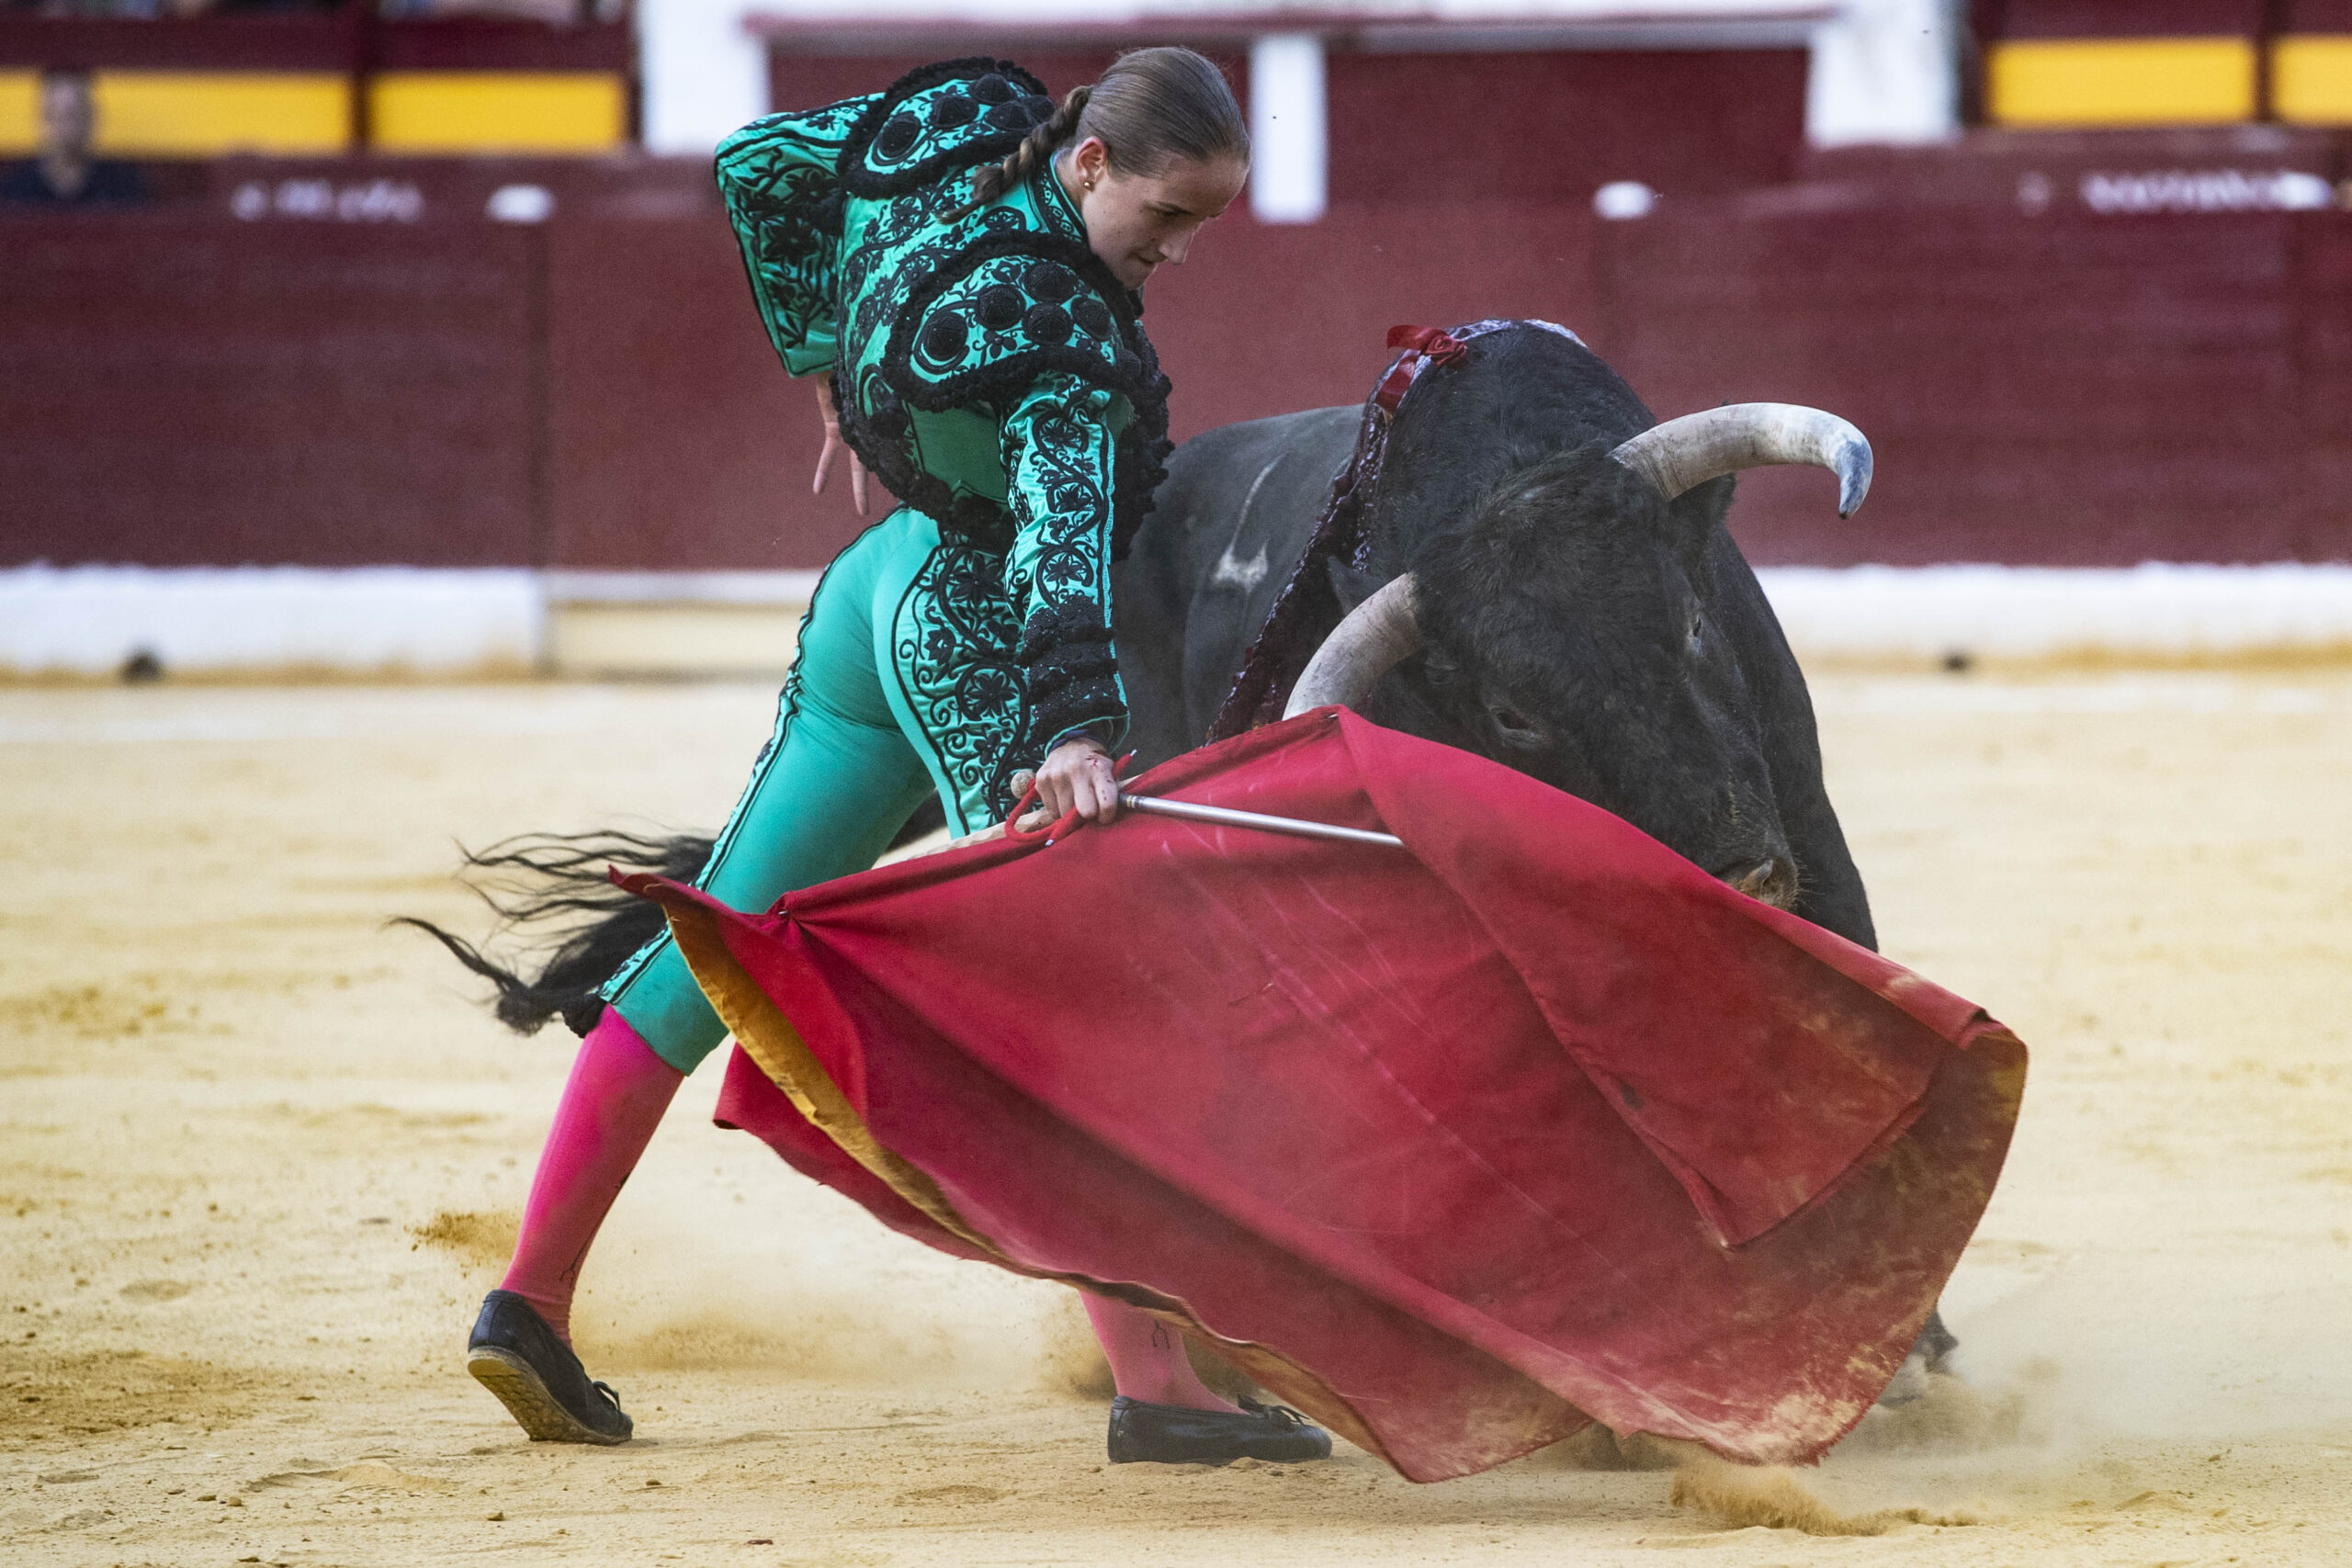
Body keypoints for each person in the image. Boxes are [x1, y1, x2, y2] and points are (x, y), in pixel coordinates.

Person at [458, 50, 1333, 1469]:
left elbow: (761, 167)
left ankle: (530, 1296)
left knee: (706, 945)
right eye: (1165, 217)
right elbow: (1057, 541)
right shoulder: (1072, 340)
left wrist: (817, 356)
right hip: (969, 635)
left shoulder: (955, 130)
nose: (1174, 254)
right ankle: (1161, 1383)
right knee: (1079, 990)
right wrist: (1071, 728)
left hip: (872, 597)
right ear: (1095, 162)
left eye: (1201, 228)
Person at [0, 69, 146, 206]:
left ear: (91, 117)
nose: (63, 126)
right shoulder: (13, 193)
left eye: (72, 114)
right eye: (53, 115)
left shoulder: (124, 188)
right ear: (39, 119)